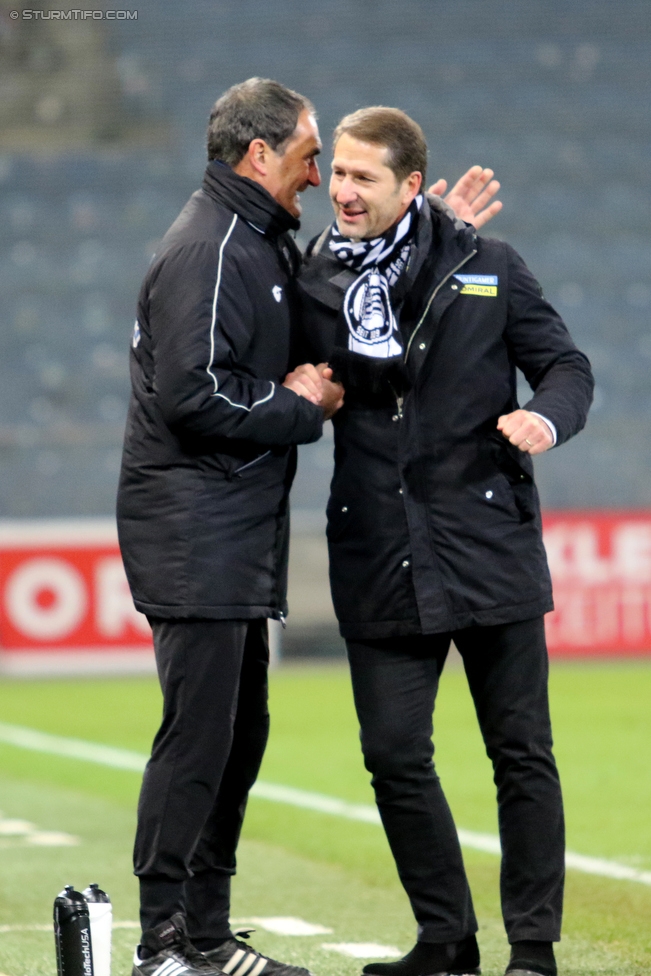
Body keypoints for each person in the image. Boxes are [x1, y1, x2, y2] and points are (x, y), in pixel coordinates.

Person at [117, 80, 502, 976]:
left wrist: (422, 232)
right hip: (193, 531)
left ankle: (205, 936)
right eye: (307, 150)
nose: (318, 172)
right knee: (200, 735)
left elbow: (344, 304)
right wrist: (295, 406)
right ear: (258, 155)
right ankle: (164, 943)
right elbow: (192, 393)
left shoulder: (253, 240)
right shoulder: (207, 249)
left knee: (236, 734)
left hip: (230, 532)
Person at [296, 107, 594, 976]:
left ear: (409, 187)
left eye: (361, 179)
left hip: (484, 539)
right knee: (392, 754)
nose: (340, 192)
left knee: (520, 753)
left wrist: (543, 416)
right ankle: (446, 940)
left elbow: (566, 367)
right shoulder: (314, 279)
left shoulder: (487, 266)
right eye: (337, 173)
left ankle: (531, 950)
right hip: (375, 547)